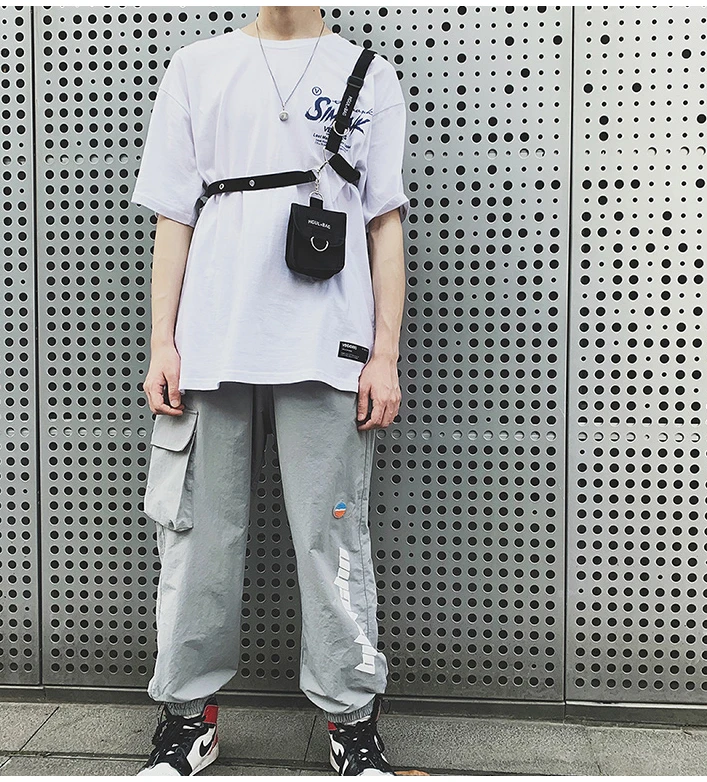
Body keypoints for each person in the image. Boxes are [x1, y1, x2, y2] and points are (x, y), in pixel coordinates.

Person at [129, 5, 409, 777]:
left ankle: (352, 725)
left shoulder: (368, 74)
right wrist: (163, 344)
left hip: (329, 344)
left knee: (332, 540)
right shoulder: (196, 67)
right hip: (210, 342)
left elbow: (385, 222)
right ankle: (188, 723)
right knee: (197, 537)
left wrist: (384, 353)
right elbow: (174, 219)